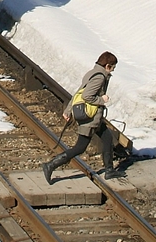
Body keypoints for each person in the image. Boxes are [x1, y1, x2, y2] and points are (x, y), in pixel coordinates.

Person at [43, 52, 121, 182]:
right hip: (90, 118)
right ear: (107, 65)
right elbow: (86, 96)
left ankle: (109, 171)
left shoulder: (92, 73)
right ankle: (50, 165)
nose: (113, 70)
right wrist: (102, 99)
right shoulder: (99, 77)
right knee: (79, 148)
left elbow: (78, 92)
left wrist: (68, 110)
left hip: (94, 117)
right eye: (113, 67)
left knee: (107, 138)